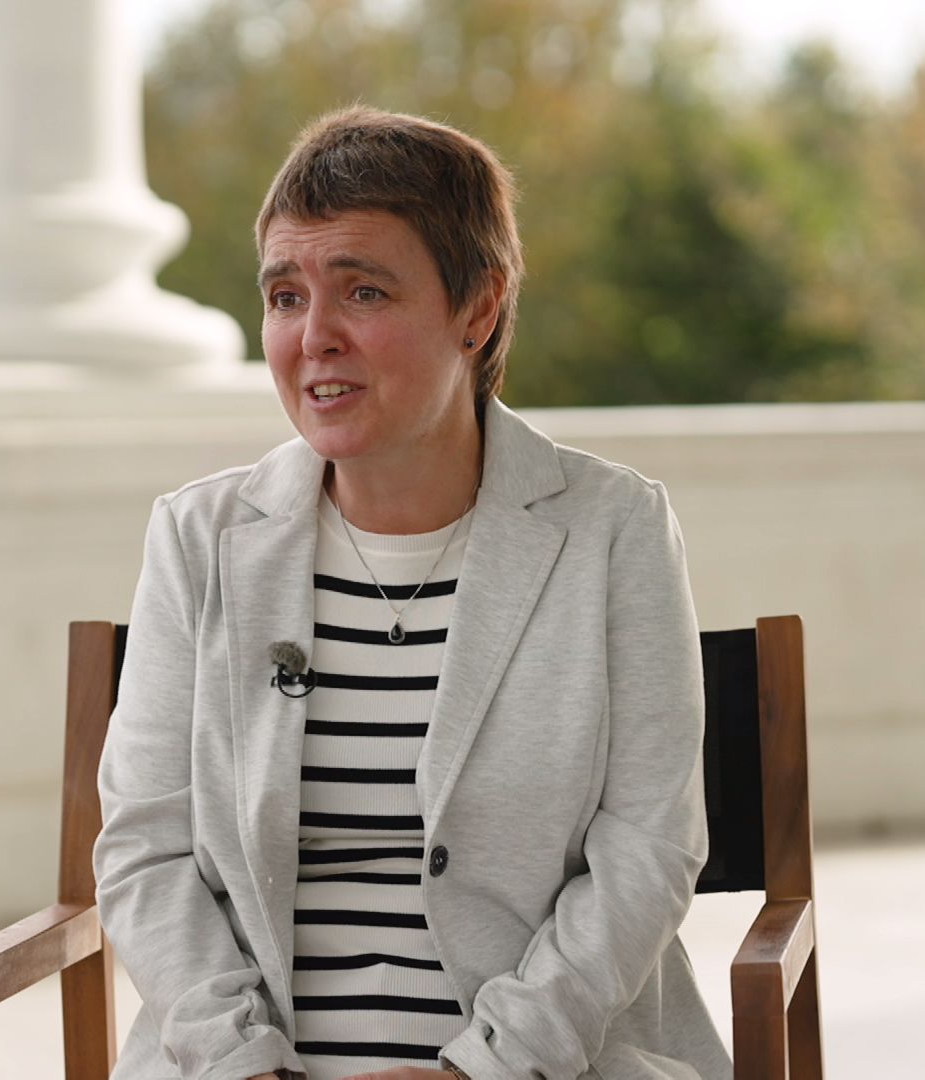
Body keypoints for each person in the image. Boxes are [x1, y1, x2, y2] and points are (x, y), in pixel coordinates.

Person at [93, 106, 731, 1080]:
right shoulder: (200, 540)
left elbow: (648, 846)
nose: (315, 337)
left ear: (478, 310)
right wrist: (244, 1065)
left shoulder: (614, 530)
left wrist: (484, 1069)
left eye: (364, 291)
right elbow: (146, 851)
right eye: (286, 295)